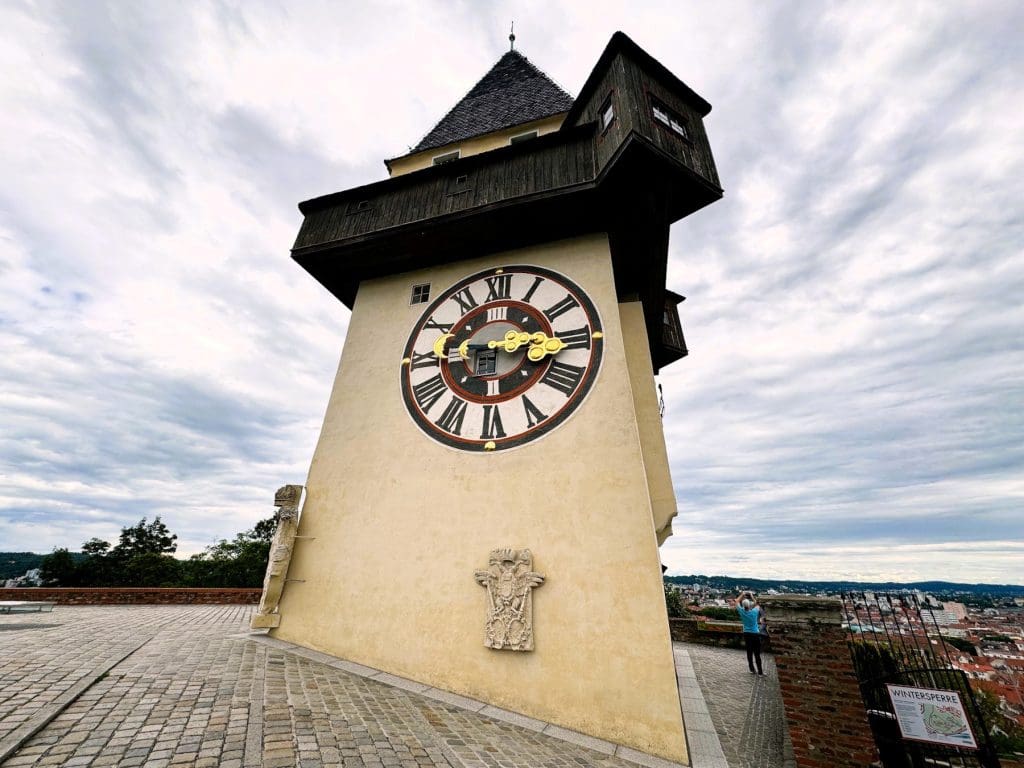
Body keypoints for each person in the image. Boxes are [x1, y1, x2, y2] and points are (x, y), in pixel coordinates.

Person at [736, 591, 764, 675]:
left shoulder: (741, 611)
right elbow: (757, 604)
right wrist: (752, 596)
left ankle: (752, 669)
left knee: (749, 652)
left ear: (743, 605)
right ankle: (760, 672)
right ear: (749, 605)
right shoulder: (754, 612)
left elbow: (737, 601)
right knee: (757, 653)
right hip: (755, 633)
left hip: (747, 633)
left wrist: (742, 594)